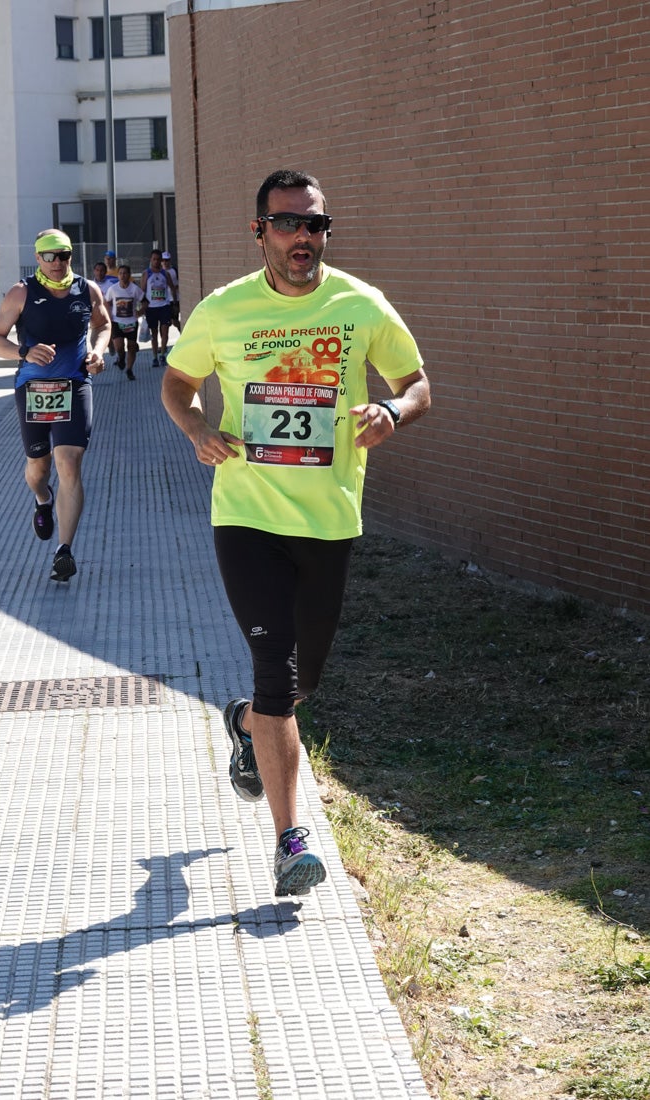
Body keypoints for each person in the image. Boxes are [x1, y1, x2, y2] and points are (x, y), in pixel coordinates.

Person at [161, 169, 430, 896]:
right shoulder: (222, 310)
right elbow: (176, 384)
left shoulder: (359, 303)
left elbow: (416, 382)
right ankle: (290, 840)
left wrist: (393, 412)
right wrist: (194, 429)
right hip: (245, 515)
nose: (304, 237)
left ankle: (246, 725)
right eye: (288, 224)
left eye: (315, 225)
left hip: (329, 519)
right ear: (259, 233)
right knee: (275, 675)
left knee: (300, 683)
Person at [0, 228, 111, 582]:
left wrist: (97, 353)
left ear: (71, 256)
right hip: (33, 388)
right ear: (38, 257)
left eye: (64, 255)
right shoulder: (21, 292)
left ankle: (64, 551)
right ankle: (42, 499)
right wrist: (23, 351)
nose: (58, 263)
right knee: (38, 468)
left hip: (74, 385)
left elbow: (103, 326)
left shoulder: (87, 290)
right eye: (50, 256)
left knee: (69, 462)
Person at [104, 264, 146, 381]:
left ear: (129, 275)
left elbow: (145, 301)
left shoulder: (134, 289)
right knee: (119, 347)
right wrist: (109, 314)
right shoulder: (113, 289)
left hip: (131, 321)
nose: (123, 275)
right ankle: (121, 358)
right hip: (117, 322)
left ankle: (129, 369)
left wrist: (140, 311)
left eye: (125, 273)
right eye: (120, 273)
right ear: (118, 275)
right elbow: (106, 302)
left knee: (132, 347)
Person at [140, 249, 173, 367]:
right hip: (151, 307)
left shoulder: (165, 273)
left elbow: (172, 288)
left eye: (159, 259)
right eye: (154, 259)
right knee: (154, 334)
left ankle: (163, 354)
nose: (156, 261)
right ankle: (154, 357)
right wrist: (142, 305)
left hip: (164, 306)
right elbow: (142, 290)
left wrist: (174, 304)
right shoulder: (146, 274)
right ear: (151, 260)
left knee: (165, 331)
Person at [161, 251, 181, 330]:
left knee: (174, 321)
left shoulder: (174, 271)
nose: (165, 262)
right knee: (165, 323)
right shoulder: (159, 272)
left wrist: (176, 287)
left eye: (167, 260)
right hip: (164, 300)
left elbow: (180, 282)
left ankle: (182, 332)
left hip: (174, 299)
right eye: (163, 260)